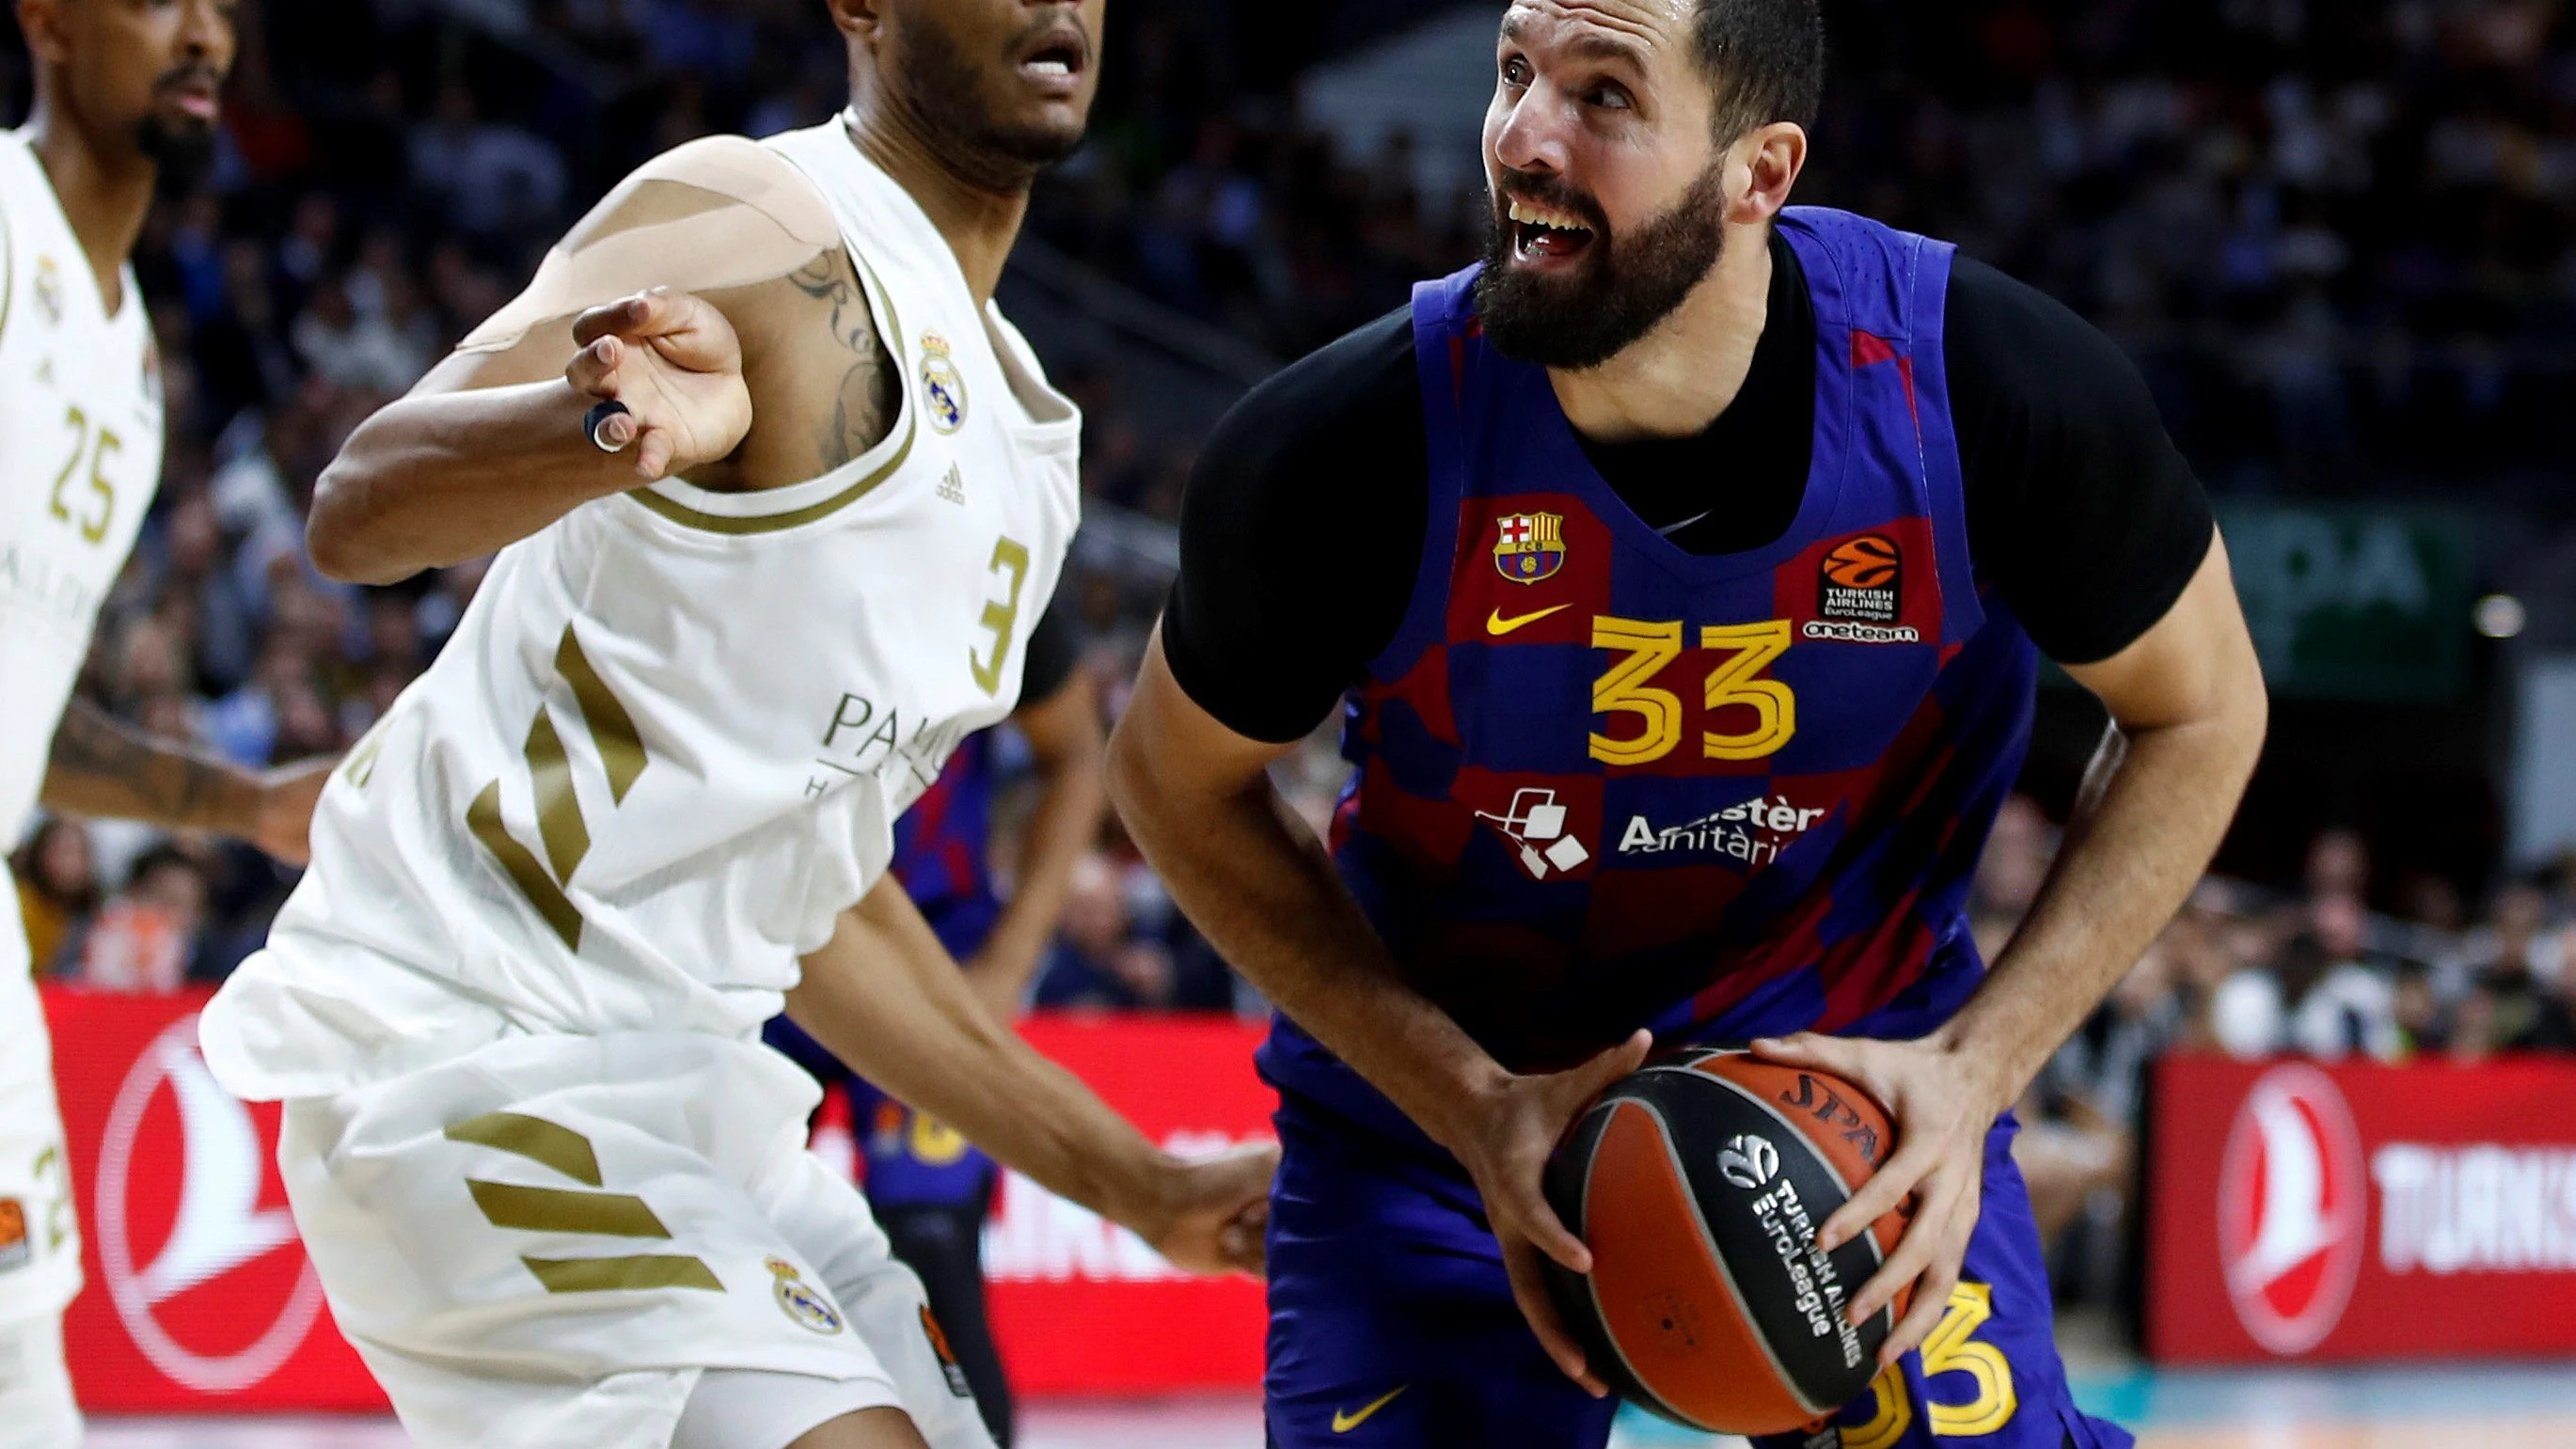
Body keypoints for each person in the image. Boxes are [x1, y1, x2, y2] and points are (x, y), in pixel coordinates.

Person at [1106, 2, 2268, 1445]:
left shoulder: (1983, 390)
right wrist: (1467, 1102)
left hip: (1848, 1103)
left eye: (1602, 95)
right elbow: (1172, 780)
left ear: (1757, 172)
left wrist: (1980, 1069)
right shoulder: (1344, 445)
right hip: (1447, 1123)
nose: (1524, 138)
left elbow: (2202, 709)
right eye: (1515, 73)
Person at [195, 5, 1272, 1449]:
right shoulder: (754, 220)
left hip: (713, 1110)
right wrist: (596, 429)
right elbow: (360, 505)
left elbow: (817, 905)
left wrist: (1140, 1186)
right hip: (470, 1055)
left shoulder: (1028, 443)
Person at [1, 4, 331, 1443]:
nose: (204, 35)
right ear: (50, 22)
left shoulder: (133, 368)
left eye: (224, 12)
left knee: (27, 1378)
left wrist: (244, 804)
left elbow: (29, 716)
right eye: (160, 1)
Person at [765, 601, 1104, 1449]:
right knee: (722, 1250)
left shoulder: (999, 561)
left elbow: (1076, 758)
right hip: (767, 950)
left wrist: (1008, 961)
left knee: (934, 1254)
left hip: (930, 953)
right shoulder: (771, 535)